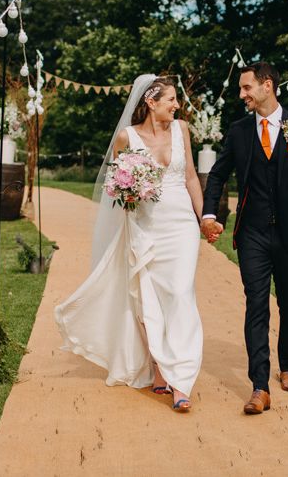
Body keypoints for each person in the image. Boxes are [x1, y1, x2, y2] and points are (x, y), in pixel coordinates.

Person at [55, 75, 204, 412]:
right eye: (171, 99)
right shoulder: (127, 137)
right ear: (151, 103)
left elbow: (192, 177)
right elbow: (115, 187)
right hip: (144, 226)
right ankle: (157, 366)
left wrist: (205, 216)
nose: (177, 105)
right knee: (147, 298)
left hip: (181, 226)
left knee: (180, 294)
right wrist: (129, 189)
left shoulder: (181, 130)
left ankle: (181, 379)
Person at [201, 62, 288, 415]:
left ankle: (287, 365)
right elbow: (217, 175)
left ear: (267, 86)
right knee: (256, 305)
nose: (242, 94)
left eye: (246, 88)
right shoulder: (239, 131)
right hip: (253, 234)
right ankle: (259, 386)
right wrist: (210, 214)